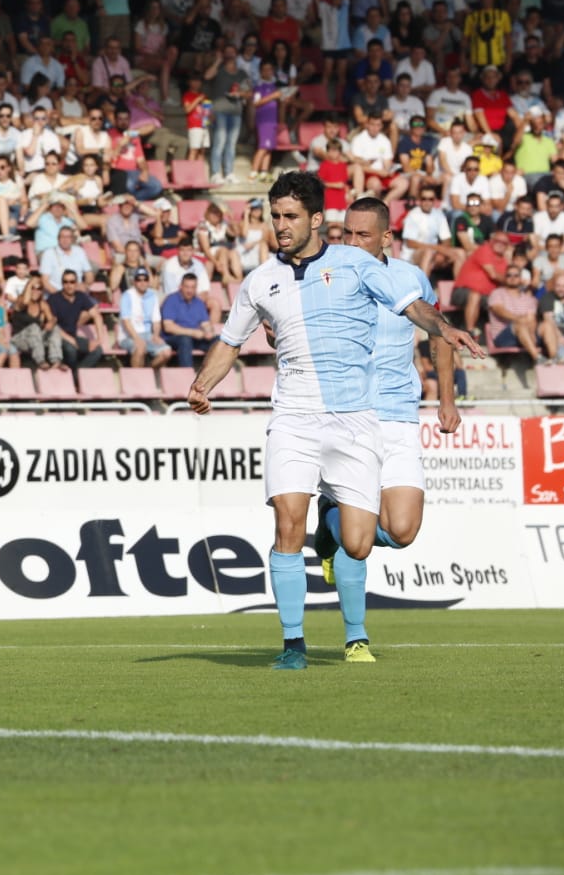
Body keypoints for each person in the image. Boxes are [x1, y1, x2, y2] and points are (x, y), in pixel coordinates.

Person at [188, 172, 482, 670]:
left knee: (358, 542)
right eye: (275, 216)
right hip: (294, 417)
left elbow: (413, 308)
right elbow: (230, 341)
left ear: (316, 219)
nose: (280, 226)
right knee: (286, 522)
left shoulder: (354, 264)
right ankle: (293, 645)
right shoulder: (260, 279)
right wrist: (202, 385)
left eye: (290, 217)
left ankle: (333, 538)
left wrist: (445, 328)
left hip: (355, 419)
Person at [312, 196, 461, 662]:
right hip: (348, 416)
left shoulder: (410, 278)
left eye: (362, 234)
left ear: (385, 237)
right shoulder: (325, 275)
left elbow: (439, 330)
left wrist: (446, 398)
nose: (351, 243)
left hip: (399, 413)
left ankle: (328, 525)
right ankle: (356, 639)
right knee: (360, 541)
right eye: (345, 234)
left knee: (401, 531)